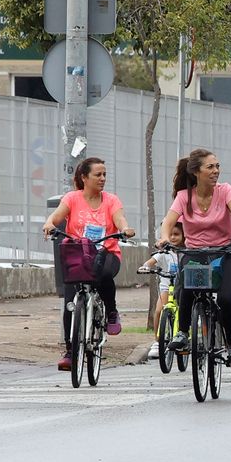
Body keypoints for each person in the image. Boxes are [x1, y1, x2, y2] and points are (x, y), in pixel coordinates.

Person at [160, 149, 231, 373]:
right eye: (210, 167)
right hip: (195, 255)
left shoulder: (225, 191)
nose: (216, 171)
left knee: (226, 299)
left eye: (217, 166)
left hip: (224, 254)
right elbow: (168, 221)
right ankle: (183, 333)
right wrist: (164, 238)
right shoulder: (184, 196)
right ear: (196, 172)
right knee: (187, 290)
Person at [43, 157, 134, 371]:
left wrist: (126, 228)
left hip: (106, 252)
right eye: (98, 175)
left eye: (104, 174)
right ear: (84, 177)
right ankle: (69, 350)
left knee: (103, 276)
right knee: (70, 301)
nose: (102, 178)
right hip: (77, 253)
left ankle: (111, 312)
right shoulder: (72, 198)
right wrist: (49, 224)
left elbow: (119, 219)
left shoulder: (111, 200)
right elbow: (56, 217)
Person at [142, 224, 186, 362]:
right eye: (170, 234)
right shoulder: (164, 253)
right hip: (167, 287)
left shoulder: (187, 252)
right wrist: (146, 266)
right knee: (159, 310)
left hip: (183, 287)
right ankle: (157, 340)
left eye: (177, 234)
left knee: (184, 310)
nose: (173, 237)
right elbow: (151, 261)